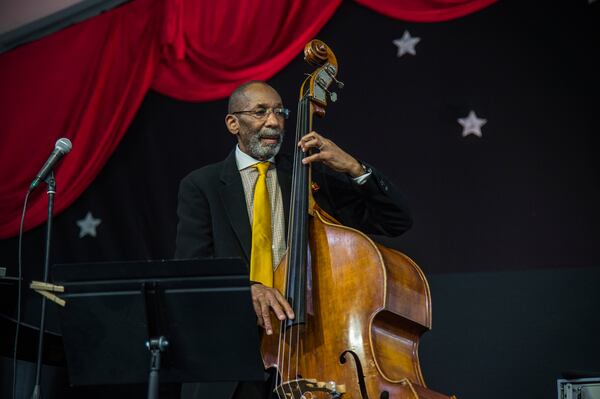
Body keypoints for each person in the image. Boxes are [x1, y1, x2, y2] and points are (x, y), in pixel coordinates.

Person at [175, 81, 412, 399]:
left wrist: (354, 167)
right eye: (260, 112)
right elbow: (192, 271)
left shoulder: (309, 176)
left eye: (279, 112)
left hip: (308, 356)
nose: (273, 121)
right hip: (228, 359)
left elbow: (395, 220)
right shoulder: (201, 185)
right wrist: (247, 288)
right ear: (233, 123)